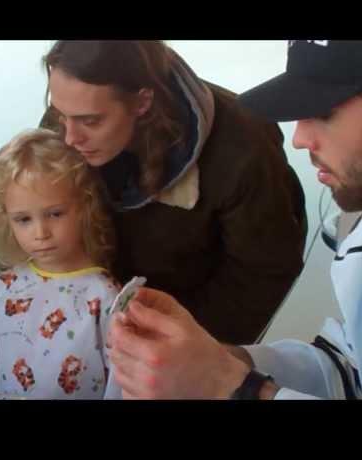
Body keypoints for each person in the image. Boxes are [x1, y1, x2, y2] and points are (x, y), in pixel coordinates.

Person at [107, 40, 362, 400]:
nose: (299, 138)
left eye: (324, 111)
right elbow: (353, 373)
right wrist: (213, 359)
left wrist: (233, 387)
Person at [41, 40, 307, 345]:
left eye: (91, 121)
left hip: (201, 301)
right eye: (60, 114)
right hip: (103, 298)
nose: (70, 137)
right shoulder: (71, 117)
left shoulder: (244, 149)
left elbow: (260, 274)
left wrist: (185, 345)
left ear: (142, 102)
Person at [0, 128, 122, 398]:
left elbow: (121, 386)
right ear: (5, 219)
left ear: (85, 207)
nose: (40, 233)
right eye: (23, 219)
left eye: (55, 214)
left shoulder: (106, 297)